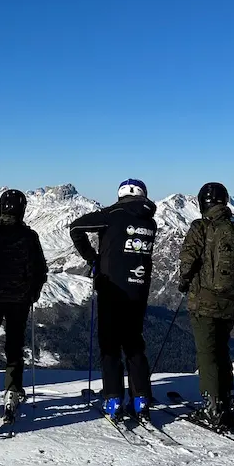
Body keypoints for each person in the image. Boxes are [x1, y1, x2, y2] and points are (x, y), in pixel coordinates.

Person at [68, 179, 158, 418]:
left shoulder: (111, 214)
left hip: (112, 289)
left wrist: (92, 258)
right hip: (139, 288)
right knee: (134, 342)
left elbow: (76, 228)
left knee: (110, 344)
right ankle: (140, 399)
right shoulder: (150, 221)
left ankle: (113, 399)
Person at [177, 182, 234, 433]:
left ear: (203, 203)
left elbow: (188, 260)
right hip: (230, 301)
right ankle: (226, 405)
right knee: (222, 352)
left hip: (204, 300)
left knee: (207, 354)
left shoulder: (201, 227)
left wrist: (183, 282)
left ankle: (212, 409)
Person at [0, 189, 48, 424]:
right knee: (14, 345)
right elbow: (40, 269)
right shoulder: (29, 236)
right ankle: (12, 391)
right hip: (19, 300)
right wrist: (32, 293)